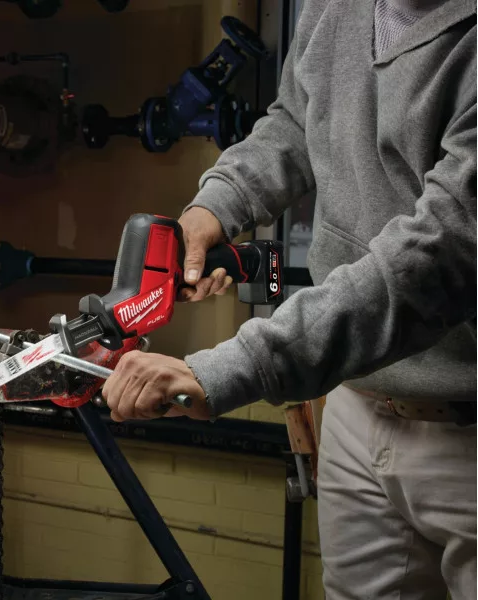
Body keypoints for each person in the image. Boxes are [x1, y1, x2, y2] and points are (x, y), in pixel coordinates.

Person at [102, 1, 477, 598]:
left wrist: (234, 367)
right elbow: (295, 123)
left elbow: (433, 261)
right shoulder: (336, 7)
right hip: (357, 409)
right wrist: (214, 207)